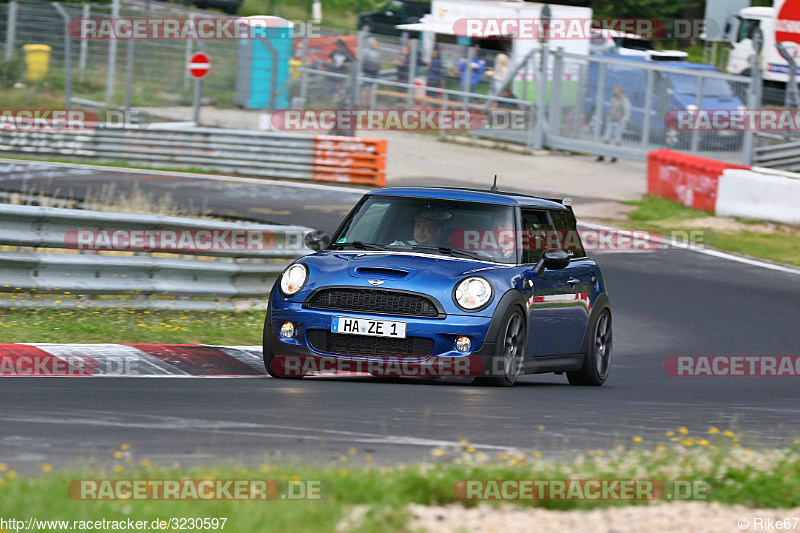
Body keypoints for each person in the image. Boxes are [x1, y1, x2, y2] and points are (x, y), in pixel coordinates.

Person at [597, 85, 631, 163]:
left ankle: (614, 156)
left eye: (616, 89)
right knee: (606, 138)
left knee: (617, 140)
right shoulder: (613, 99)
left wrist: (622, 121)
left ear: (619, 90)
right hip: (611, 121)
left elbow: (627, 112)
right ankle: (602, 155)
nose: (614, 90)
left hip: (618, 123)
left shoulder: (624, 100)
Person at [361, 38, 381, 105]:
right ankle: (364, 103)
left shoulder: (376, 53)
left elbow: (378, 63)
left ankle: (369, 104)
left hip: (374, 73)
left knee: (370, 89)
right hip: (367, 72)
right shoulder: (365, 51)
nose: (375, 44)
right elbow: (363, 62)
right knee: (366, 88)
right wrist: (366, 68)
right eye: (374, 43)